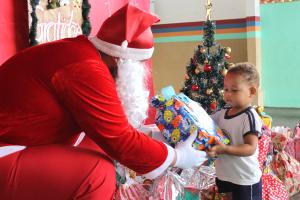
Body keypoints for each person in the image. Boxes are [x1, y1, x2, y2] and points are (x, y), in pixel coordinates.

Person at [0, 3, 207, 200]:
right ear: (122, 61)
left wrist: (153, 141)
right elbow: (119, 139)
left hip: (23, 141)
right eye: (140, 66)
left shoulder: (83, 55)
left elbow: (106, 130)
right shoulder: (85, 66)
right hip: (7, 148)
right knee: (97, 175)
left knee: (98, 150)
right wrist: (176, 157)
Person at [207, 63, 262, 200]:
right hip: (224, 176)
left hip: (244, 179)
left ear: (252, 92)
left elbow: (250, 147)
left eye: (235, 90)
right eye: (225, 89)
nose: (228, 94)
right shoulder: (224, 111)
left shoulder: (249, 116)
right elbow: (206, 122)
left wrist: (225, 149)